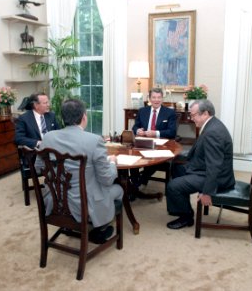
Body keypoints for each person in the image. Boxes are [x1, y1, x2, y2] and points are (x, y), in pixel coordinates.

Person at [39, 99, 123, 244]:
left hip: (54, 201)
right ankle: (101, 227)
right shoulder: (94, 140)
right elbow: (107, 179)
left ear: (62, 117)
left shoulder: (48, 137)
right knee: (119, 189)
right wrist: (112, 163)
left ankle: (76, 225)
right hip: (84, 205)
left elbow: (38, 167)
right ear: (84, 117)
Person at [165, 99, 235, 230]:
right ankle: (180, 207)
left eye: (193, 115)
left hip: (218, 178)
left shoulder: (213, 133)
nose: (192, 118)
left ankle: (186, 217)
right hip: (205, 168)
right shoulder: (213, 124)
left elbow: (214, 166)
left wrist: (207, 192)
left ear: (205, 114)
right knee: (176, 167)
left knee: (173, 186)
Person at [131, 87, 177, 190]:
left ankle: (136, 185)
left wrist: (155, 133)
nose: (156, 100)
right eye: (154, 97)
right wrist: (138, 130)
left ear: (162, 99)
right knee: (133, 159)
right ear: (149, 99)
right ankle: (135, 183)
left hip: (160, 145)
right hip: (143, 143)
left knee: (154, 162)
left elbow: (172, 132)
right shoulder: (142, 111)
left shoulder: (169, 113)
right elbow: (135, 127)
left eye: (159, 97)